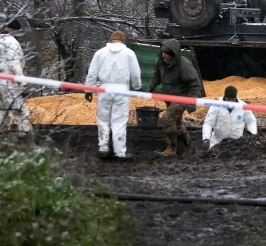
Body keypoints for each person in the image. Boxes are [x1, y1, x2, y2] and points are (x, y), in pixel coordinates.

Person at [84, 30, 142, 160]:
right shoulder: (129, 54)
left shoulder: (100, 53)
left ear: (111, 40)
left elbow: (92, 73)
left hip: (104, 89)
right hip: (122, 90)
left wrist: (88, 90)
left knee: (103, 120)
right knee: (119, 121)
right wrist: (137, 87)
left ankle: (103, 148)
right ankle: (120, 152)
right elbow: (136, 73)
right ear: (123, 40)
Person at [148, 38, 203, 157]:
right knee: (176, 124)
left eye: (166, 53)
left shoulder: (184, 65)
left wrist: (193, 101)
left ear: (173, 54)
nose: (164, 55)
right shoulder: (161, 63)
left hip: (182, 98)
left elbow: (194, 83)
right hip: (169, 97)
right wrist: (150, 88)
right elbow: (156, 76)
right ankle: (189, 147)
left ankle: (171, 148)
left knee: (166, 121)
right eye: (162, 52)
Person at [0, 18, 32, 134]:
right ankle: (26, 138)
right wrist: (23, 82)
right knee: (21, 111)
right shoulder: (11, 42)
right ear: (15, 30)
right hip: (9, 82)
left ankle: (0, 138)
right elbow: (14, 63)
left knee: (3, 112)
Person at [202, 85, 258, 150]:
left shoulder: (243, 106)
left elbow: (251, 121)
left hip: (237, 144)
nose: (230, 102)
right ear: (225, 96)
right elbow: (208, 123)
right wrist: (206, 138)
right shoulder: (216, 106)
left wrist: (253, 134)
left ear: (236, 97)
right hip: (217, 142)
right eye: (228, 99)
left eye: (233, 99)